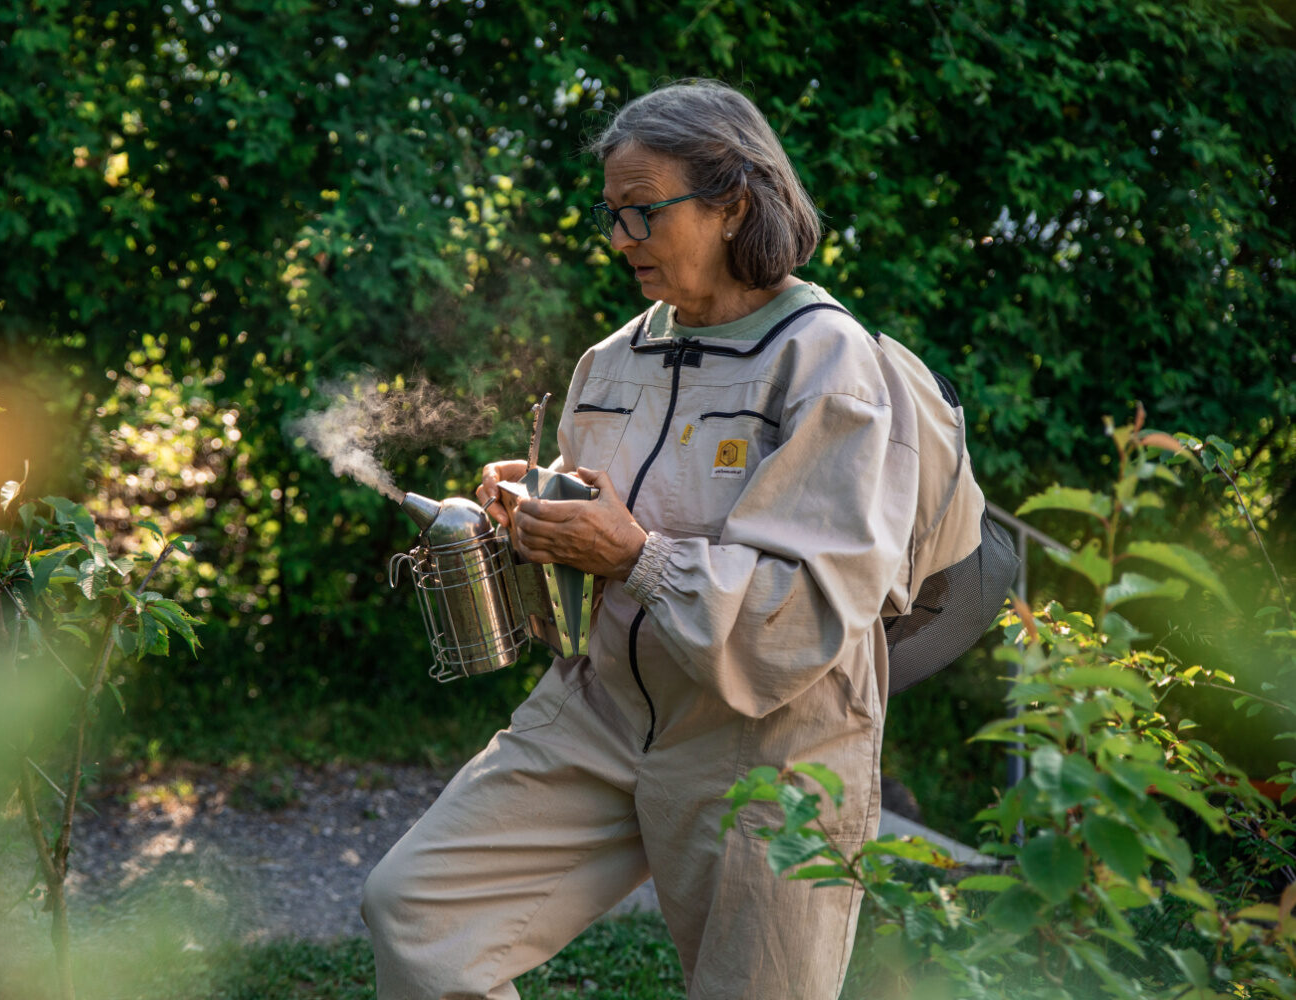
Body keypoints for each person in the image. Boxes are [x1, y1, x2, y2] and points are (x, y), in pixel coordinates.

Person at [362, 79, 985, 999]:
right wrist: (535, 517)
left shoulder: (827, 363)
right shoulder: (610, 363)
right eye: (612, 215)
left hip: (769, 747)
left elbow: (803, 615)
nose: (620, 241)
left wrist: (633, 555)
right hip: (603, 709)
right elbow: (599, 548)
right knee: (418, 914)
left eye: (642, 213)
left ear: (732, 204)